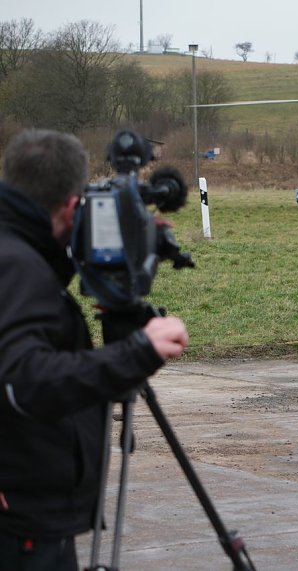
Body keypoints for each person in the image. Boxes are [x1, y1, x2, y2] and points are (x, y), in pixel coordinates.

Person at [0, 129, 189, 571]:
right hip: (23, 525)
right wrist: (138, 352)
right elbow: (26, 380)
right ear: (72, 204)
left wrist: (85, 252)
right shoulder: (16, 266)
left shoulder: (15, 252)